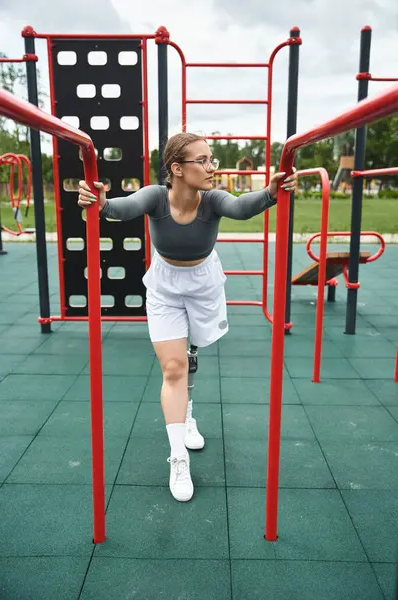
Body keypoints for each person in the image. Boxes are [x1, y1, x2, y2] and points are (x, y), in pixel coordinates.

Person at [78, 132, 297, 503]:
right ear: (177, 169)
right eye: (204, 160)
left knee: (190, 355)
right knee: (174, 367)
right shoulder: (154, 197)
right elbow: (120, 208)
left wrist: (272, 192)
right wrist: (99, 202)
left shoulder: (212, 200)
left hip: (203, 282)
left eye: (211, 159)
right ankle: (178, 457)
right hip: (164, 285)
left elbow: (242, 207)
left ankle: (188, 410)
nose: (212, 167)